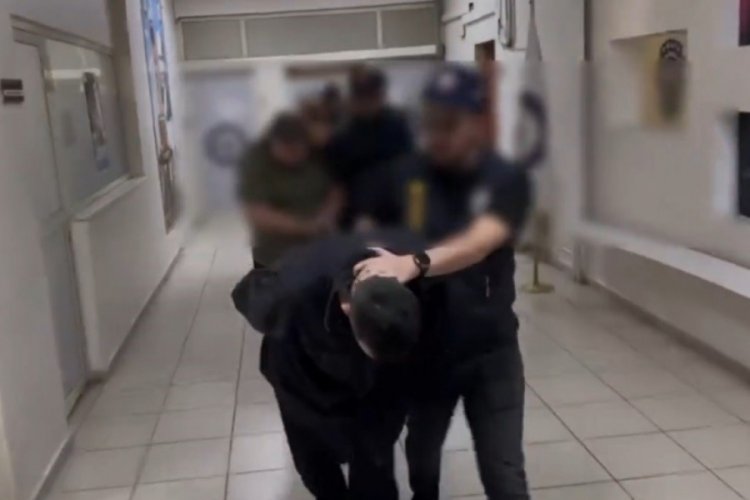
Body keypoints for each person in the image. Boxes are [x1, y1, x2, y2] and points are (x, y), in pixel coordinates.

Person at [353, 64, 534, 500]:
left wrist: (414, 262)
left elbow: (479, 242)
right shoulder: (404, 175)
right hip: (427, 353)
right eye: (430, 122)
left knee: (504, 473)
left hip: (491, 352)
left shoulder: (506, 179)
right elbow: (366, 230)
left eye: (449, 124)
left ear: (477, 123)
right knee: (422, 463)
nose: (437, 135)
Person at [231, 230, 444, 500]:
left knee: (374, 473)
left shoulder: (410, 272)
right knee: (316, 469)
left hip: (378, 396)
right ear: (347, 308)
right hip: (302, 386)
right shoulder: (296, 286)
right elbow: (245, 294)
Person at [237, 112, 340, 269]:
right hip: (274, 248)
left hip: (320, 244)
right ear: (273, 144)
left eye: (298, 149)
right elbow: (257, 212)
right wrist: (307, 227)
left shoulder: (318, 153)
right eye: (287, 149)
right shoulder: (256, 160)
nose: (293, 154)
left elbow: (337, 189)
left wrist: (328, 215)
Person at [327, 65, 414, 229]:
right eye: (360, 96)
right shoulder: (342, 136)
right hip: (356, 217)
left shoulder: (397, 126)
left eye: (371, 96)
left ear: (381, 95)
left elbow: (410, 170)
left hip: (396, 212)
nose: (366, 102)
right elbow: (338, 185)